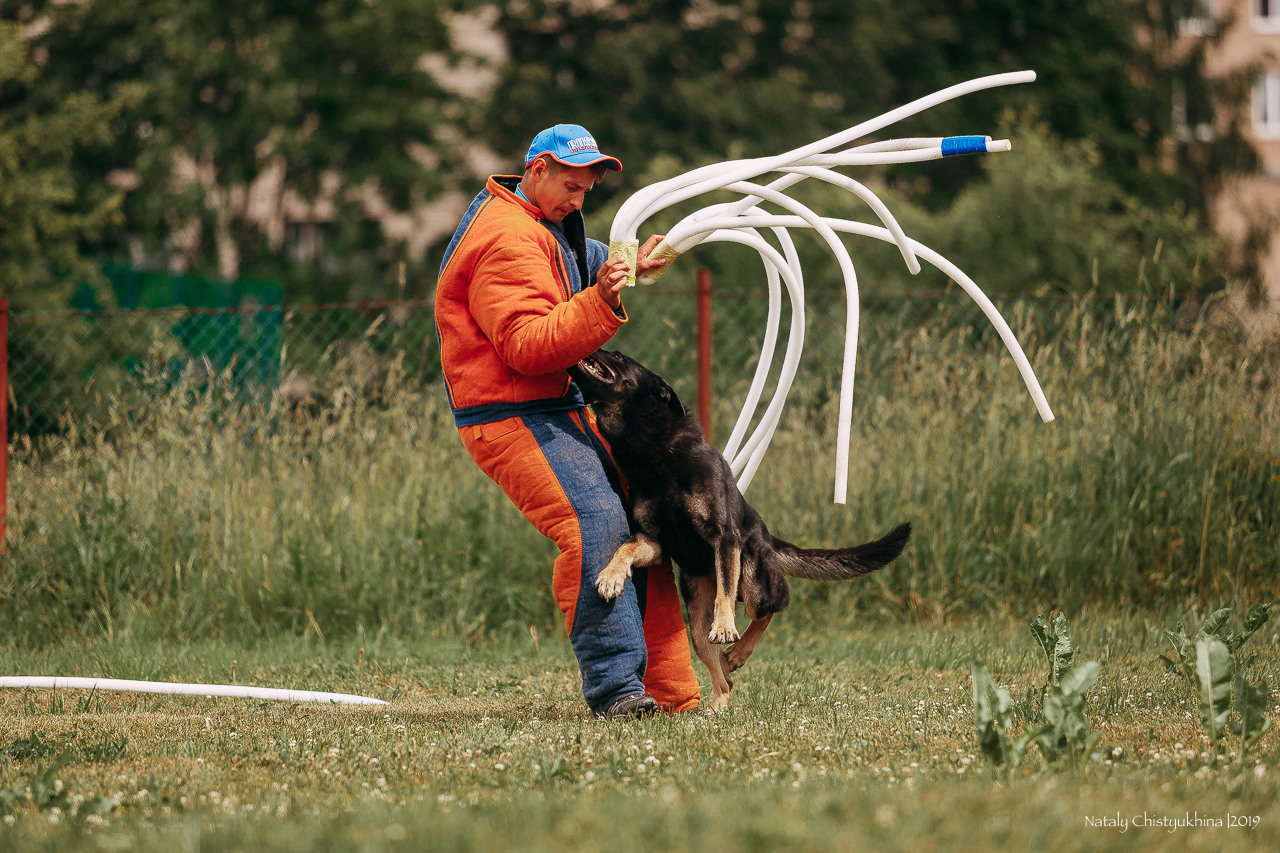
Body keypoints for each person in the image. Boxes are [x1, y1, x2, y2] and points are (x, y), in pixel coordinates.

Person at [434, 124, 701, 717]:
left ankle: (674, 696)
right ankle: (618, 692)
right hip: (509, 416)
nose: (579, 201)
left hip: (556, 409)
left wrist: (639, 262)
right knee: (595, 528)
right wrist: (602, 302)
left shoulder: (540, 224)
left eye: (586, 191)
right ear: (537, 169)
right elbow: (528, 346)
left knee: (643, 528)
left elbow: (581, 264)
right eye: (570, 186)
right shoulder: (504, 240)